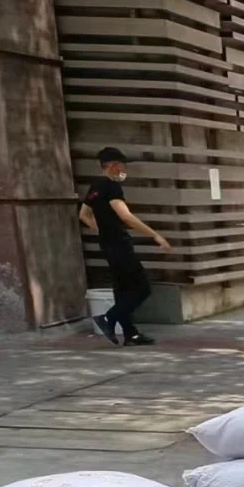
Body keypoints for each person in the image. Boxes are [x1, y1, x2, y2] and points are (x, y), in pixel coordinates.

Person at [79, 147, 172, 346]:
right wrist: (155, 234)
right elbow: (125, 216)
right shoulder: (112, 187)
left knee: (123, 289)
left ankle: (131, 334)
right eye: (122, 165)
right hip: (120, 245)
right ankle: (108, 318)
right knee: (142, 288)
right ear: (113, 165)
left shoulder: (95, 187)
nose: (124, 169)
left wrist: (102, 230)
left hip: (107, 245)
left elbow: (83, 215)